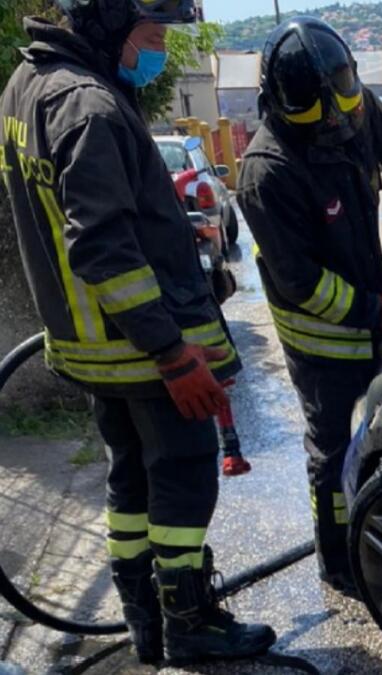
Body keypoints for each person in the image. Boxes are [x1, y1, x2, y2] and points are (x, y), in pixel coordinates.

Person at [0, 0, 275, 665]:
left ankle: (143, 619)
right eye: (149, 36)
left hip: (87, 349)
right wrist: (174, 355)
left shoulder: (24, 88)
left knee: (131, 485)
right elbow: (102, 248)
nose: (154, 50)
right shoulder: (89, 107)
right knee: (182, 480)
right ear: (106, 24)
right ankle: (188, 622)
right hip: (140, 354)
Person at [237, 17, 382, 595]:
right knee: (333, 451)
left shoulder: (347, 110)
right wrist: (376, 311)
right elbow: (300, 284)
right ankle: (340, 563)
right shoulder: (268, 172)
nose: (338, 122)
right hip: (320, 342)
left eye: (345, 103)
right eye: (322, 114)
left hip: (369, 320)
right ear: (282, 105)